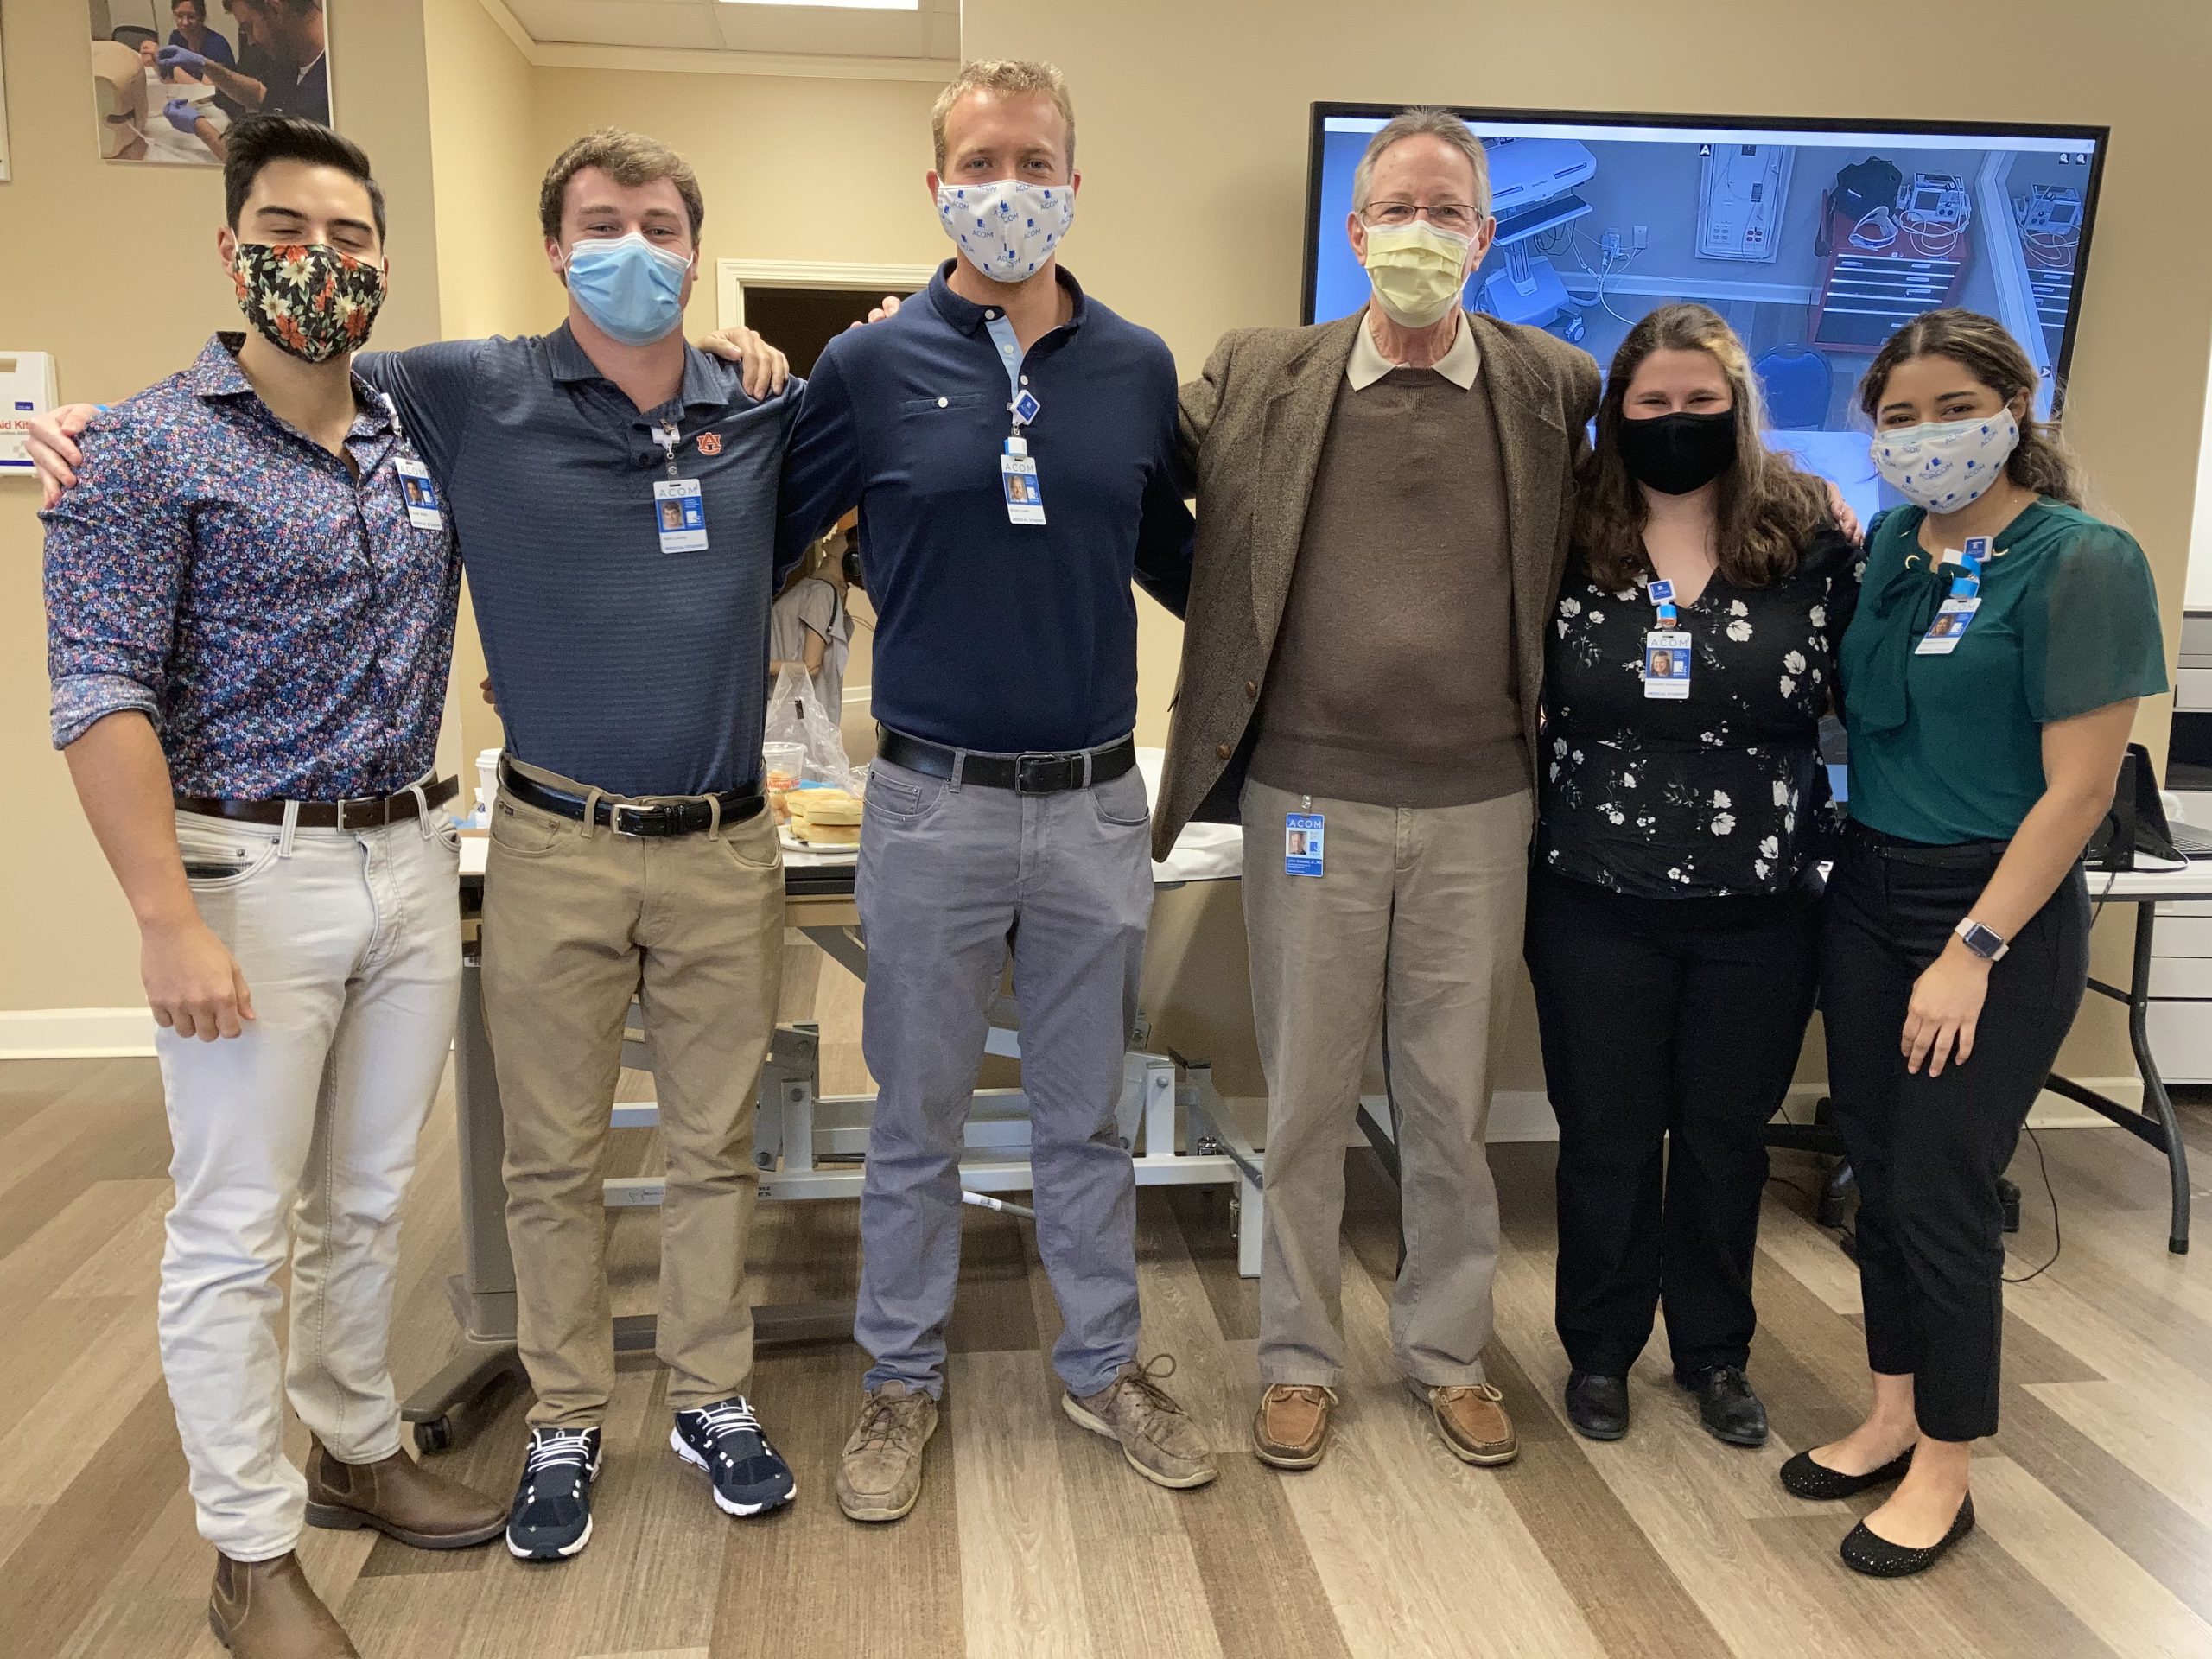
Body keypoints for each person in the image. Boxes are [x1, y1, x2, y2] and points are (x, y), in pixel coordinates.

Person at [29, 129, 803, 1565]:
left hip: (492, 851)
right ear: (552, 247)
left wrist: (747, 348)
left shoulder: (720, 410)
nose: (318, 264)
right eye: (598, 224)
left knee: (435, 1190)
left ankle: (678, 1399)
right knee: (462, 1177)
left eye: (658, 226)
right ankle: (527, 1430)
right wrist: (89, 424)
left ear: (696, 250)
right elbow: (117, 650)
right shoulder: (438, 392)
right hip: (410, 856)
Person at [39, 117, 504, 1659]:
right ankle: (250, 1552)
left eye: (350, 237)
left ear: (384, 261)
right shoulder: (145, 446)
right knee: (237, 1228)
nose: (323, 260)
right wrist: (163, 918)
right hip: (248, 868)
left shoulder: (417, 429)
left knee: (367, 1201)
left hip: (414, 855)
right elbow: (98, 689)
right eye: (288, 232)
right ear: (231, 252)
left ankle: (356, 1447)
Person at [772, 59, 1211, 1523]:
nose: (1008, 187)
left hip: (1093, 805)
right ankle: (900, 1382)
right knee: (917, 1122)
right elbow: (764, 533)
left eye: (1034, 162)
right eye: (981, 163)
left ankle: (1104, 1368)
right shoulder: (870, 367)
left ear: (1074, 182)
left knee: (1086, 1120)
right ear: (937, 185)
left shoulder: (1135, 366)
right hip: (932, 804)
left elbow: (1190, 561)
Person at [1154, 108, 1601, 1472]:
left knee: (1449, 1101)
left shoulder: (1553, 383)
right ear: (1356, 233)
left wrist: (1798, 505)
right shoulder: (1260, 372)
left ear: (1486, 234)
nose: (1421, 232)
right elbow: (1116, 461)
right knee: (1303, 1095)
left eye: (1446, 211)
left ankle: (1447, 1352)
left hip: (1482, 806)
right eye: (1397, 209)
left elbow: (1653, 501)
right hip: (1308, 801)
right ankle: (1298, 1358)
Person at [1793, 308, 2166, 1576]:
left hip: (1990, 911)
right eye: (1898, 418)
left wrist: (1974, 947)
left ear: (2015, 406)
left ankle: (1946, 1471)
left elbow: (2080, 789)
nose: (1925, 436)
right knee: (1876, 1172)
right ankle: (1892, 1413)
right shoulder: (1893, 547)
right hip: (1867, 890)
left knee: (1944, 1188)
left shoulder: (2081, 560)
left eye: (1954, 409)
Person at [1522, 303, 1859, 1451]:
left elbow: (1862, 691)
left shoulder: (1809, 534)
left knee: (1725, 1139)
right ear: (1616, 412)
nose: (1676, 419)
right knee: (1604, 1135)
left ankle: (1715, 1353)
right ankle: (1600, 1350)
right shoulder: (1566, 529)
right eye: (1653, 401)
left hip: (1761, 906)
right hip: (1592, 895)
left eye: (1700, 401)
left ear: (1737, 408)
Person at [767, 517, 855, 725]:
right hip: (791, 706)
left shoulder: (822, 593)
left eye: (845, 536)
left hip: (798, 713)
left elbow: (811, 667)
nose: (838, 532)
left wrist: (758, 667)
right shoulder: (820, 588)